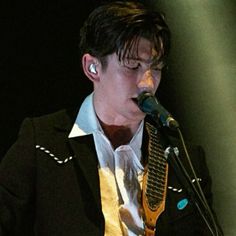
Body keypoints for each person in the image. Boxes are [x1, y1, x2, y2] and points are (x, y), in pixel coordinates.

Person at [0, 1, 223, 235]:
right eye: (133, 65)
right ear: (92, 68)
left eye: (155, 67)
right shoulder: (42, 144)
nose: (147, 82)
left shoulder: (183, 161)